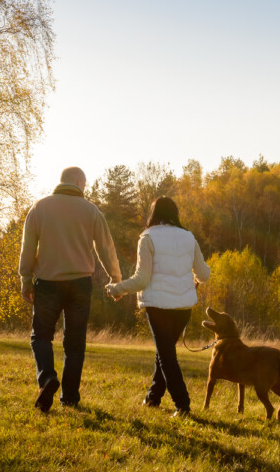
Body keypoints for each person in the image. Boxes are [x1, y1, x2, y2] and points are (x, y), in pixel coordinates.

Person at [18, 166, 122, 412]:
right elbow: (106, 248)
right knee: (75, 342)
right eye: (84, 185)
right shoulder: (91, 210)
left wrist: (25, 278)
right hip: (80, 284)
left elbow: (28, 246)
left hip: (47, 282)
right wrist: (115, 278)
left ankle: (47, 378)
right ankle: (70, 396)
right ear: (78, 181)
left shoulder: (39, 207)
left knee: (41, 336)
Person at [106, 196, 210, 416]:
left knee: (166, 356)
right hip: (183, 309)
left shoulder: (147, 237)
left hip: (158, 307)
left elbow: (142, 279)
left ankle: (183, 405)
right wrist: (192, 276)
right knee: (165, 352)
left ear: (153, 213)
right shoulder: (189, 237)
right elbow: (203, 274)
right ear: (175, 213)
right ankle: (153, 397)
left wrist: (117, 288)